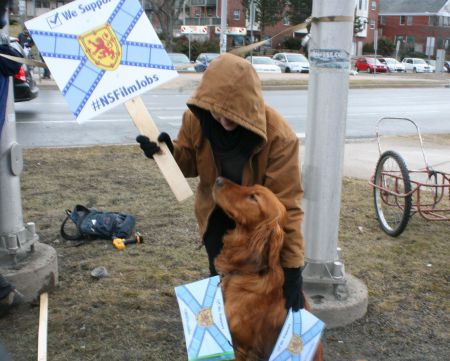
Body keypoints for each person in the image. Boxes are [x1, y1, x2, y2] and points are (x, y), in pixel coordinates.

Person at [137, 53, 305, 311]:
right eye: (218, 113)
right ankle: (221, 338)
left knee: (254, 293)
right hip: (215, 218)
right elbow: (191, 163)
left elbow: (287, 206)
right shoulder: (196, 119)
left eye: (234, 116)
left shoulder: (280, 138)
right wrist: (168, 153)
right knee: (219, 280)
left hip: (255, 229)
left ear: (250, 105)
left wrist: (292, 269)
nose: (224, 121)